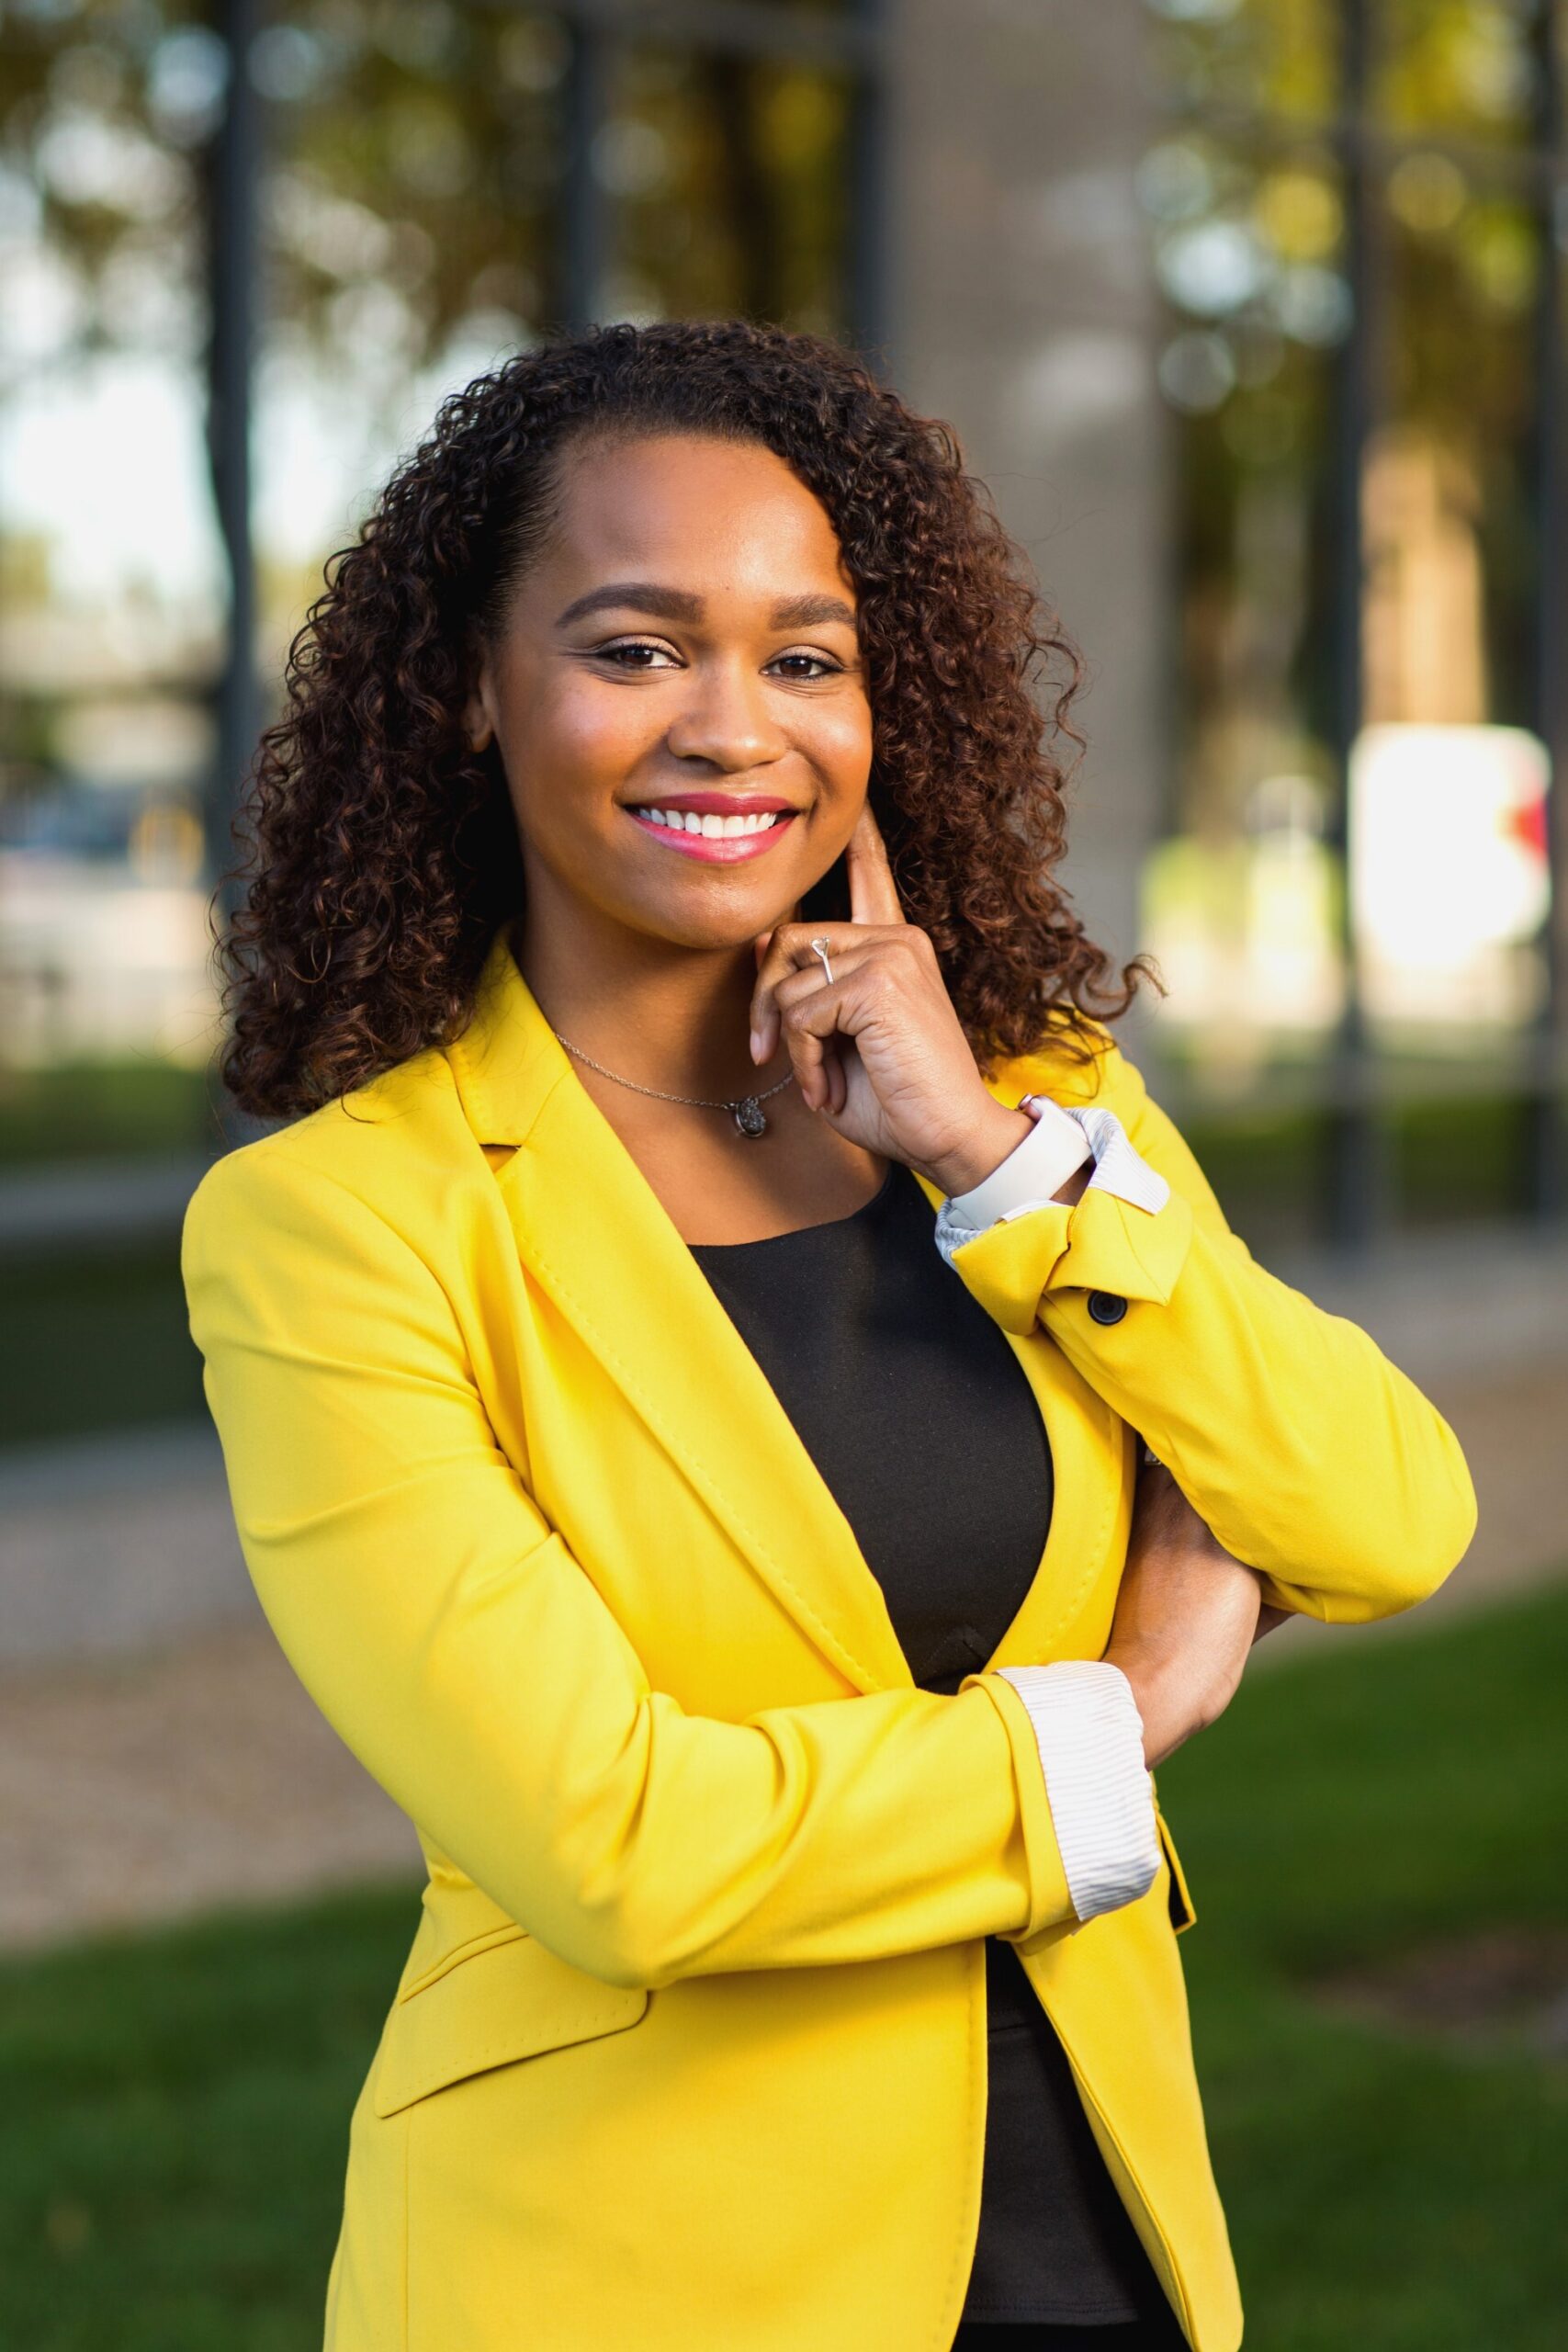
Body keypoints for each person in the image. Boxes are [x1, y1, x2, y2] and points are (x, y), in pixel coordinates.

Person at [183, 320, 1476, 2352]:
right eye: (630, 648)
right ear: (464, 688)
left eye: (803, 657)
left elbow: (1384, 1513)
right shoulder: (337, 1230)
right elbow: (624, 1845)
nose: (731, 726)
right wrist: (1116, 1713)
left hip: (1103, 2253)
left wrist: (981, 1156)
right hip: (620, 2275)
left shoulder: (1036, 1105)